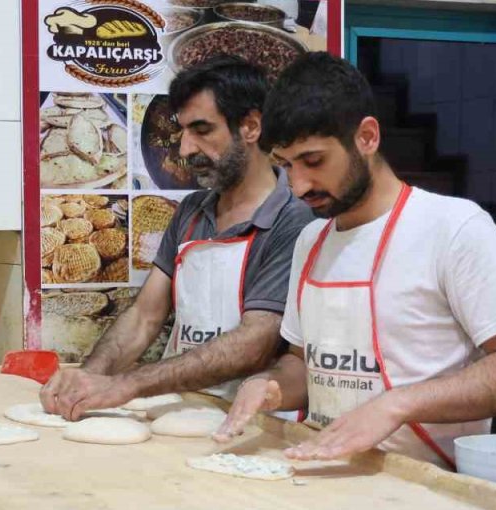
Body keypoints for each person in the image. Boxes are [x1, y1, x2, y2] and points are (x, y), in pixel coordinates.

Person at [216, 53, 496, 468]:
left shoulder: (453, 228)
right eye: (286, 166)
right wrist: (269, 385)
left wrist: (396, 405)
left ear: (367, 137)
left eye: (314, 160)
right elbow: (303, 365)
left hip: (423, 485)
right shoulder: (311, 241)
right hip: (323, 473)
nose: (299, 185)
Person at [40, 56, 313, 419]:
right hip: (182, 408)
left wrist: (129, 384)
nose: (185, 149)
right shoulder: (192, 211)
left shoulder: (294, 221)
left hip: (255, 425)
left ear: (250, 126)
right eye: (184, 131)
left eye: (202, 130)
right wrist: (89, 378)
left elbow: (256, 342)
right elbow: (144, 316)